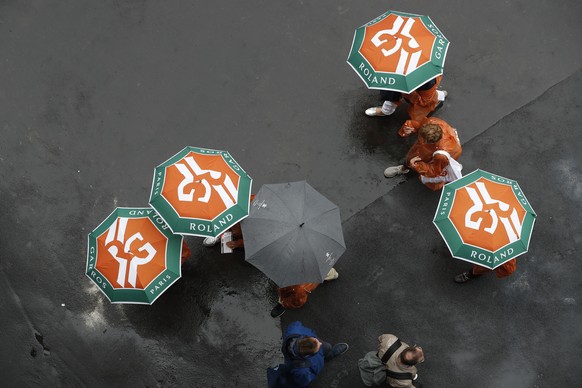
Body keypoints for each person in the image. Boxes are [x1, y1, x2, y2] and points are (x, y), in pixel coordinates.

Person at [383, 117, 462, 191]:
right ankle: (404, 168)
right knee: (413, 155)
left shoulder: (441, 155)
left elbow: (434, 170)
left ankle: (407, 168)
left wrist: (417, 165)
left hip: (445, 155)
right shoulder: (431, 122)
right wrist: (412, 127)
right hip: (437, 150)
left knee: (439, 172)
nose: (421, 141)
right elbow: (419, 124)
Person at [279, 321, 349, 387]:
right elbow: (304, 381)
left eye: (317, 341)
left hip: (312, 358)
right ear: (309, 355)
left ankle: (325, 355)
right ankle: (328, 357)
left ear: (305, 338)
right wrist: (314, 374)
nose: (320, 343)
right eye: (317, 348)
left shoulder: (294, 330)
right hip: (313, 364)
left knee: (327, 346)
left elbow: (296, 324)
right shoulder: (301, 371)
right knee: (327, 347)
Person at [365, 76, 447, 122]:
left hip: (421, 86)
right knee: (391, 91)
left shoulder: (427, 79)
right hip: (399, 77)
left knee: (426, 100)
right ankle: (386, 110)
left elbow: (425, 98)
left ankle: (439, 96)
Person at [270, 268, 339, 318]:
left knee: (289, 291)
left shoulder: (299, 288)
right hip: (316, 268)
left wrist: (285, 303)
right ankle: (332, 273)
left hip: (300, 283)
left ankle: (283, 303)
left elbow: (299, 301)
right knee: (324, 269)